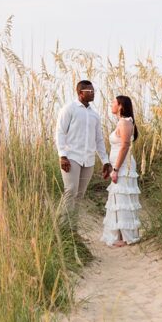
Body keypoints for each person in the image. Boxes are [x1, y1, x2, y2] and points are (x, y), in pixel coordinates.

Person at [55, 80, 112, 226]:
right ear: (80, 93)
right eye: (89, 91)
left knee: (80, 195)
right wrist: (62, 155)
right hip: (71, 157)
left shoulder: (94, 115)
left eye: (94, 91)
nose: (93, 94)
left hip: (88, 160)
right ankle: (62, 228)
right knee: (71, 191)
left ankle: (73, 230)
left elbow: (99, 139)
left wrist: (105, 161)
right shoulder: (69, 109)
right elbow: (60, 132)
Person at [101, 95, 142, 247]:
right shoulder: (121, 122)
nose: (111, 104)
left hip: (123, 167)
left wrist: (116, 169)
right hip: (119, 166)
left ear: (120, 106)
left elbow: (124, 146)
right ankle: (120, 234)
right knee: (118, 199)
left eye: (113, 102)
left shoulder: (125, 122)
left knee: (123, 199)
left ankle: (127, 237)